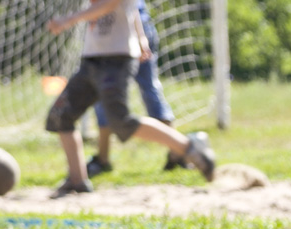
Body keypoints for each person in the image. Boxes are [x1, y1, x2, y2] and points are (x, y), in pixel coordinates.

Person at [45, 0, 215, 197]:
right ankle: (77, 180)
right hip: (91, 60)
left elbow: (110, 4)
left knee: (120, 121)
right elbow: (129, 11)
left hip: (116, 60)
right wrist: (141, 38)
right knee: (61, 115)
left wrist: (68, 20)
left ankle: (190, 148)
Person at [85, 0, 186, 177]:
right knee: (147, 89)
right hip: (124, 27)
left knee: (113, 93)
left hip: (124, 29)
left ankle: (181, 150)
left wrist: (68, 20)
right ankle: (179, 151)